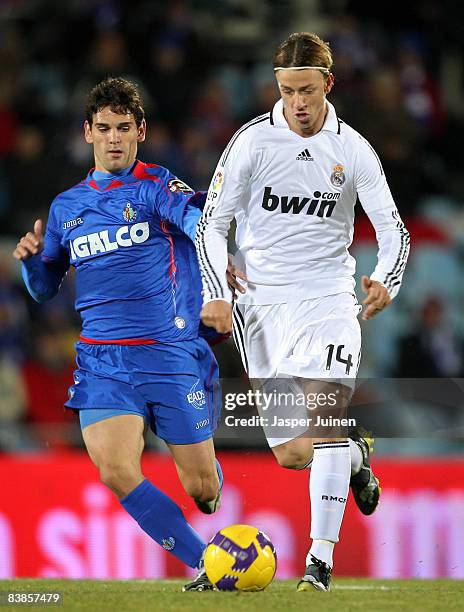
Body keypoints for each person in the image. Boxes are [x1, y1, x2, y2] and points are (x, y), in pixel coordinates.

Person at [195, 32, 410, 591]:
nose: (297, 102)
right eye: (287, 90)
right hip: (262, 305)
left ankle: (318, 564)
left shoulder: (353, 149)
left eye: (307, 90)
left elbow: (395, 233)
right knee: (293, 452)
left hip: (330, 300)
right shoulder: (250, 143)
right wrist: (217, 290)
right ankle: (359, 458)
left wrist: (386, 280)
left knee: (324, 421)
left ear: (328, 85)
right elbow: (212, 225)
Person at [13, 77, 237, 591]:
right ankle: (209, 563)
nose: (114, 138)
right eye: (105, 129)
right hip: (104, 361)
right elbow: (46, 286)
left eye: (124, 129)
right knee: (114, 470)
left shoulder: (160, 186)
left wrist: (220, 282)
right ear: (88, 132)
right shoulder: (67, 207)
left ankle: (204, 427)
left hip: (169, 353)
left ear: (141, 132)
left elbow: (202, 223)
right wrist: (30, 264)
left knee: (204, 491)